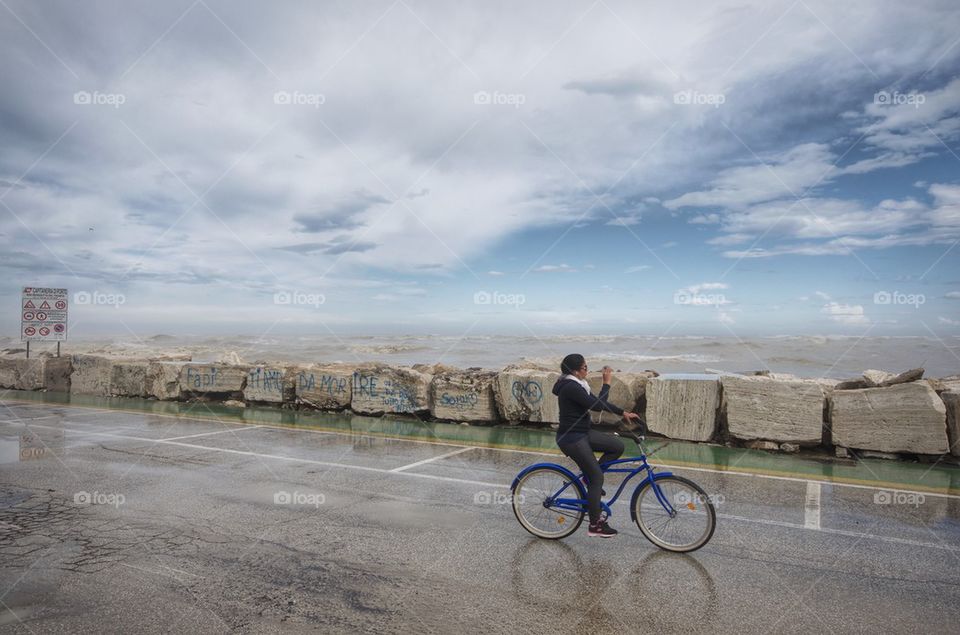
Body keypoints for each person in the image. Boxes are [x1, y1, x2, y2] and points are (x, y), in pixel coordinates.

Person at [553, 353, 641, 538]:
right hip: (572, 439)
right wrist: (607, 382)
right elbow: (597, 406)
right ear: (576, 371)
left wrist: (623, 412)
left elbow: (598, 402)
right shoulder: (570, 387)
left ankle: (588, 478)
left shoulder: (578, 384)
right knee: (597, 479)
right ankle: (595, 525)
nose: (587, 370)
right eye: (585, 367)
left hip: (582, 433)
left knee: (617, 447)